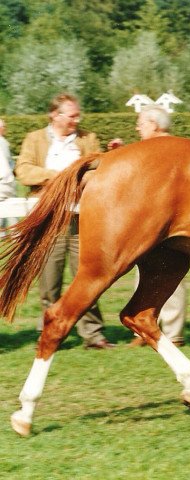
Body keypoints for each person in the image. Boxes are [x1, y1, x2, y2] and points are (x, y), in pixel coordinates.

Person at [15, 93, 114, 349]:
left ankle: (94, 335)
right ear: (55, 115)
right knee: (50, 284)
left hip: (84, 219)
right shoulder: (34, 139)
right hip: (49, 222)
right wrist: (63, 177)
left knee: (88, 279)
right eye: (71, 116)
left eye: (77, 115)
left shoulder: (87, 138)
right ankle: (50, 334)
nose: (76, 120)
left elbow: (99, 167)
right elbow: (24, 171)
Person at [110, 105, 188, 347]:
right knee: (145, 272)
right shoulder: (150, 149)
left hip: (172, 222)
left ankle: (173, 333)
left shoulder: (171, 148)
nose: (137, 127)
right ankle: (145, 330)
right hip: (150, 220)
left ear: (154, 124)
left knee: (170, 276)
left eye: (141, 123)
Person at [0, 118, 18, 230]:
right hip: (6, 181)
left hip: (5, 181)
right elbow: (8, 161)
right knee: (13, 209)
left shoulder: (3, 141)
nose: (5, 129)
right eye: (4, 127)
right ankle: (16, 234)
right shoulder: (3, 142)